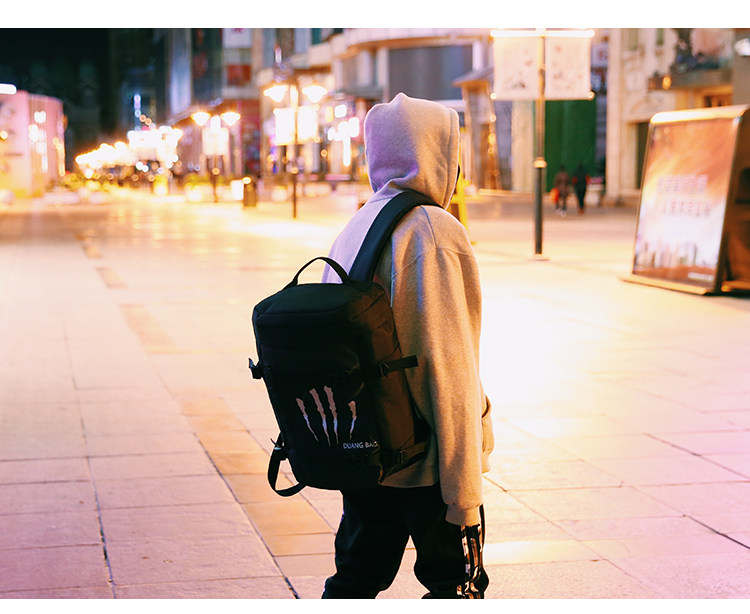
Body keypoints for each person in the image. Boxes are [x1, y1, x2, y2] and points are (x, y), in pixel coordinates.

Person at [320, 92, 494, 599]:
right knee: (457, 586)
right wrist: (463, 490)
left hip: (367, 449)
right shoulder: (433, 230)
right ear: (439, 152)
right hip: (425, 463)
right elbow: (446, 366)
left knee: (356, 577)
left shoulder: (357, 225)